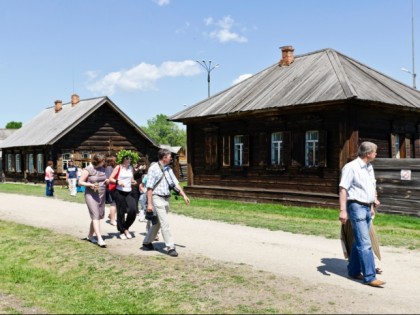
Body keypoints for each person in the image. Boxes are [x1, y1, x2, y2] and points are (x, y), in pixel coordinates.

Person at [339, 141, 385, 287]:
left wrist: (374, 201)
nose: (376, 154)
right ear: (368, 154)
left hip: (366, 207)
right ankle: (370, 277)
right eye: (375, 152)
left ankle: (353, 271)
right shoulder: (351, 167)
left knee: (358, 241)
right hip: (356, 206)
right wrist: (343, 210)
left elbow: (371, 186)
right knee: (365, 243)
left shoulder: (369, 167)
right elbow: (343, 189)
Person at [142, 148, 190, 257]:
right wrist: (149, 204)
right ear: (164, 158)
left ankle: (146, 242)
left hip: (166, 198)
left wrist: (184, 195)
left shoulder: (168, 169)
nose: (171, 158)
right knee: (165, 223)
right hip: (156, 197)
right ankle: (170, 247)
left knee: (158, 222)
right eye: (169, 156)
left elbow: (175, 184)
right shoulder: (153, 168)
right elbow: (149, 187)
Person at [78, 153, 108, 248]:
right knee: (95, 216)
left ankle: (90, 236)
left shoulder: (103, 169)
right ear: (97, 161)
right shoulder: (88, 169)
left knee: (97, 216)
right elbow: (80, 182)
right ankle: (99, 238)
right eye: (102, 161)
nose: (104, 162)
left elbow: (104, 179)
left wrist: (106, 181)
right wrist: (90, 185)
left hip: (101, 194)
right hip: (91, 195)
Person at [109, 154, 137, 240]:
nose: (129, 160)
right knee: (121, 212)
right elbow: (110, 178)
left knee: (133, 210)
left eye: (130, 159)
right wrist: (118, 182)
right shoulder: (118, 167)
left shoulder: (131, 168)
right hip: (119, 192)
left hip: (129, 191)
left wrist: (134, 182)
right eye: (127, 158)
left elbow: (131, 179)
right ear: (123, 159)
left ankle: (125, 227)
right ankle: (122, 231)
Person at [104, 156, 117, 226]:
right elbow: (108, 179)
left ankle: (111, 215)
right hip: (111, 187)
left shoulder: (105, 168)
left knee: (115, 203)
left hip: (109, 187)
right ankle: (112, 219)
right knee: (114, 203)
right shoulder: (110, 168)